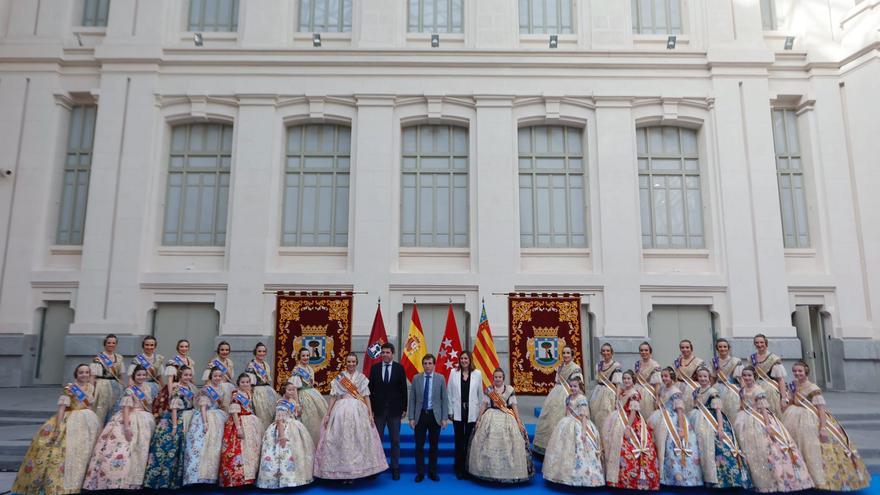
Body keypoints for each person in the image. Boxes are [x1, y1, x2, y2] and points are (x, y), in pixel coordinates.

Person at [12, 364, 100, 495]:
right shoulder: (70, 389)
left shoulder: (91, 387)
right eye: (81, 372)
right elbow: (62, 408)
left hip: (87, 421)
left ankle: (81, 482)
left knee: (84, 451)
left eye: (87, 372)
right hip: (70, 420)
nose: (84, 375)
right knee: (61, 452)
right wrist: (58, 427)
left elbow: (90, 405)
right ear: (76, 374)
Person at [782, 361, 869, 491]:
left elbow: (821, 409)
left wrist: (823, 428)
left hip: (811, 420)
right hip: (794, 418)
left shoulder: (813, 388)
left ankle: (818, 479)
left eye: (800, 371)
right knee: (798, 447)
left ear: (806, 372)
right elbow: (791, 400)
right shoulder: (793, 385)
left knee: (812, 448)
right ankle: (801, 477)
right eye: (794, 371)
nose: (797, 373)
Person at [735, 365, 813, 492]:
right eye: (744, 375)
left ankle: (775, 480)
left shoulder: (758, 390)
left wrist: (767, 425)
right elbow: (742, 404)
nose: (747, 378)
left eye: (749, 375)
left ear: (754, 376)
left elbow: (764, 410)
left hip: (759, 420)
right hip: (745, 421)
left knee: (767, 449)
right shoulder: (742, 390)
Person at [313, 353, 388, 481]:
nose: (351, 364)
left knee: (359, 440)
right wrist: (328, 413)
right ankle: (342, 473)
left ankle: (357, 472)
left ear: (356, 363)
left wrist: (370, 413)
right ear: (345, 363)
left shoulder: (362, 378)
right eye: (349, 361)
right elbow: (333, 397)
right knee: (341, 441)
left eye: (353, 362)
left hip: (359, 410)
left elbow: (366, 397)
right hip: (341, 411)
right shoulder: (339, 378)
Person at [82, 365, 156, 491]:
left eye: (144, 375)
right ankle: (117, 479)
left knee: (141, 449)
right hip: (129, 419)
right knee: (123, 448)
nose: (141, 377)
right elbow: (126, 409)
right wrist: (126, 427)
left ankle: (136, 479)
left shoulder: (147, 388)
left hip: (144, 420)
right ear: (133, 376)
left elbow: (148, 405)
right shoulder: (129, 390)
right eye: (139, 375)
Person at [467, 368, 534, 483]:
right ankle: (488, 471)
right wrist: (479, 419)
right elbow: (484, 405)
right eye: (496, 377)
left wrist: (518, 421)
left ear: (503, 378)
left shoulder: (509, 390)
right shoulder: (489, 390)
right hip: (490, 416)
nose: (497, 379)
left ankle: (509, 472)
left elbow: (514, 406)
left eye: (500, 377)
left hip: (507, 417)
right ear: (493, 378)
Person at [689, 366, 751, 488]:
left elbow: (718, 410)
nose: (703, 379)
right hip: (697, 420)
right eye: (700, 376)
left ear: (709, 378)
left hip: (712, 421)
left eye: (705, 376)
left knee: (717, 448)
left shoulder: (713, 392)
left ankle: (724, 480)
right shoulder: (696, 391)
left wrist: (720, 428)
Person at [541, 377, 605, 487]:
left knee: (581, 449)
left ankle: (583, 477)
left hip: (580, 425)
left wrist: (584, 431)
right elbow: (567, 412)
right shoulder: (568, 398)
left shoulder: (582, 399)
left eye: (575, 386)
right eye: (571, 386)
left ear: (580, 387)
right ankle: (563, 475)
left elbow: (584, 416)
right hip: (567, 424)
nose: (572, 388)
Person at [602, 370, 659, 490]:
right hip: (618, 420)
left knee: (629, 448)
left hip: (631, 423)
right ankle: (617, 479)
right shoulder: (623, 392)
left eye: (628, 379)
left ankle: (633, 480)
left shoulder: (634, 394)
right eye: (624, 379)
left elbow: (633, 412)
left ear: (633, 380)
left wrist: (628, 427)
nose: (626, 381)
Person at [648, 367, 702, 487]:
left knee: (671, 447)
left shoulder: (676, 391)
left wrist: (681, 428)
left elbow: (680, 411)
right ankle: (663, 474)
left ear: (672, 377)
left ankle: (679, 475)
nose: (664, 378)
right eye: (662, 376)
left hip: (674, 421)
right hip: (661, 418)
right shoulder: (662, 388)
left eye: (666, 376)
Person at [144, 365, 195, 489]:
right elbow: (174, 408)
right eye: (185, 375)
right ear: (180, 376)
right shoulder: (177, 388)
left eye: (189, 375)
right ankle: (161, 481)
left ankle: (175, 480)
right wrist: (174, 426)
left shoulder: (190, 387)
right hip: (175, 419)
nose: (187, 377)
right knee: (169, 449)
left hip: (186, 416)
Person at [256, 382, 315, 489]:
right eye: (289, 390)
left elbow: (297, 414)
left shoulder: (292, 401)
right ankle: (281, 479)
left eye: (293, 390)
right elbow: (279, 421)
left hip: (294, 426)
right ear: (284, 390)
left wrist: (297, 404)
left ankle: (295, 478)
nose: (292, 392)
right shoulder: (281, 403)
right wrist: (282, 436)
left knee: (297, 452)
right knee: (282, 453)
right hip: (283, 428)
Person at [182, 367, 228, 486]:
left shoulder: (221, 388)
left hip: (218, 417)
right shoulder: (206, 389)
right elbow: (202, 406)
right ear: (210, 377)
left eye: (219, 376)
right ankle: (197, 476)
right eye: (215, 376)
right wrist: (205, 422)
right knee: (201, 445)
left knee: (214, 446)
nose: (217, 378)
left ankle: (210, 475)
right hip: (205, 417)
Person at [367, 342, 407, 480]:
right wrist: (370, 409)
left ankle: (395, 468)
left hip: (395, 411)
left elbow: (403, 390)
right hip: (378, 411)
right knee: (377, 440)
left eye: (387, 352)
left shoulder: (399, 368)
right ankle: (376, 468)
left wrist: (404, 408)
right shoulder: (375, 368)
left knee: (395, 440)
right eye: (383, 352)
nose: (385, 355)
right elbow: (370, 391)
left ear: (392, 353)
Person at [533, 346, 582, 455]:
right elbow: (557, 381)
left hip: (568, 395)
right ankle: (546, 448)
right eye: (564, 353)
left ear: (572, 355)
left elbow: (577, 385)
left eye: (568, 353)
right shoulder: (560, 367)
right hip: (556, 394)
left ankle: (562, 450)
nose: (565, 355)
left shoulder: (575, 368)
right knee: (549, 419)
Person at [408, 354, 449, 482]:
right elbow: (412, 399)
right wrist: (411, 418)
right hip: (420, 416)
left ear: (434, 364)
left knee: (434, 446)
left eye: (430, 363)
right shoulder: (416, 378)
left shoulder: (440, 378)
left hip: (434, 416)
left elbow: (444, 399)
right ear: (422, 365)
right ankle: (420, 473)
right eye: (425, 363)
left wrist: (444, 417)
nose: (427, 365)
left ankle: (432, 472)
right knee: (419, 446)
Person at [219, 373, 263, 487]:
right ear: (238, 383)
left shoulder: (249, 393)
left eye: (247, 382)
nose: (245, 384)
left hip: (250, 422)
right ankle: (235, 479)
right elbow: (234, 412)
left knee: (252, 450)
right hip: (238, 423)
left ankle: (249, 478)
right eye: (243, 382)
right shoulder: (236, 394)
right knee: (237, 450)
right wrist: (238, 428)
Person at [446, 349, 483, 479]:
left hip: (472, 412)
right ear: (459, 360)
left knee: (469, 441)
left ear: (470, 360)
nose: (464, 361)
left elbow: (480, 395)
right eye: (462, 358)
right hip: (457, 412)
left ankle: (468, 468)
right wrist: (450, 411)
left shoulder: (477, 374)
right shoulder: (453, 373)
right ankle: (458, 468)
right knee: (458, 440)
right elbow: (449, 393)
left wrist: (480, 413)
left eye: (466, 358)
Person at [288, 347, 328, 448]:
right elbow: (294, 389)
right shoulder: (297, 370)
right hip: (302, 396)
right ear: (299, 357)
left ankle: (319, 444)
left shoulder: (310, 369)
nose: (305, 357)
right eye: (303, 356)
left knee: (319, 419)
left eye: (307, 355)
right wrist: (297, 404)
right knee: (309, 421)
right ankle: (308, 445)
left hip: (313, 395)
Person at [89, 334, 124, 425]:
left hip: (116, 387)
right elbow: (93, 376)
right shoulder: (98, 358)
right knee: (101, 410)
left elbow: (120, 375)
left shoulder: (119, 358)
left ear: (116, 344)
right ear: (105, 344)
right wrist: (91, 391)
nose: (111, 345)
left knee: (115, 410)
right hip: (101, 386)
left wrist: (122, 386)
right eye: (109, 343)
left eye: (113, 343)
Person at [750, 334, 788, 416]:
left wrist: (783, 398)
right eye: (757, 343)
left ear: (766, 343)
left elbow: (780, 380)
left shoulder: (773, 358)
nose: (759, 345)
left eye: (761, 342)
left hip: (770, 391)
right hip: (755, 389)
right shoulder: (752, 358)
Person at [589, 343, 621, 431]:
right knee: (596, 415)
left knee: (607, 416)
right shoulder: (598, 365)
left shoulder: (616, 365)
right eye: (603, 351)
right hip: (598, 392)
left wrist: (617, 399)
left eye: (607, 350)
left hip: (609, 393)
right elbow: (597, 381)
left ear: (611, 352)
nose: (605, 352)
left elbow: (618, 384)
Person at [246, 342, 278, 430]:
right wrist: (249, 397)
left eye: (264, 351)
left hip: (267, 390)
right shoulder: (251, 365)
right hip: (257, 391)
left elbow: (267, 379)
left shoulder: (266, 365)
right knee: (261, 414)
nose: (262, 353)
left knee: (270, 414)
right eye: (259, 351)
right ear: (255, 352)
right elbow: (248, 384)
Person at [712, 338, 743, 421]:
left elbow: (741, 379)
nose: (723, 349)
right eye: (720, 347)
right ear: (717, 349)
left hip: (732, 391)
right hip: (718, 389)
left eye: (725, 346)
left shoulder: (735, 361)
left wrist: (743, 393)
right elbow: (713, 378)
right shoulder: (714, 362)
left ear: (728, 348)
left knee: (733, 414)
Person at [673, 339, 704, 411]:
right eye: (682, 347)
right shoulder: (677, 361)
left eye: (687, 347)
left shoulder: (698, 361)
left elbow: (703, 376)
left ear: (691, 348)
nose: (685, 349)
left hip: (692, 388)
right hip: (678, 387)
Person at [203, 341, 235, 407]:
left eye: (227, 350)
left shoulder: (230, 362)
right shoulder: (213, 362)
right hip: (216, 388)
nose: (224, 352)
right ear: (218, 350)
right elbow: (207, 378)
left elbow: (231, 377)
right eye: (222, 350)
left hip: (227, 388)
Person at [633, 341, 661, 415]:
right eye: (641, 350)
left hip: (648, 394)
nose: (643, 352)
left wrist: (657, 399)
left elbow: (657, 384)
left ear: (650, 352)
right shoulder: (637, 364)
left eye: (646, 350)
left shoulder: (655, 365)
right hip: (637, 393)